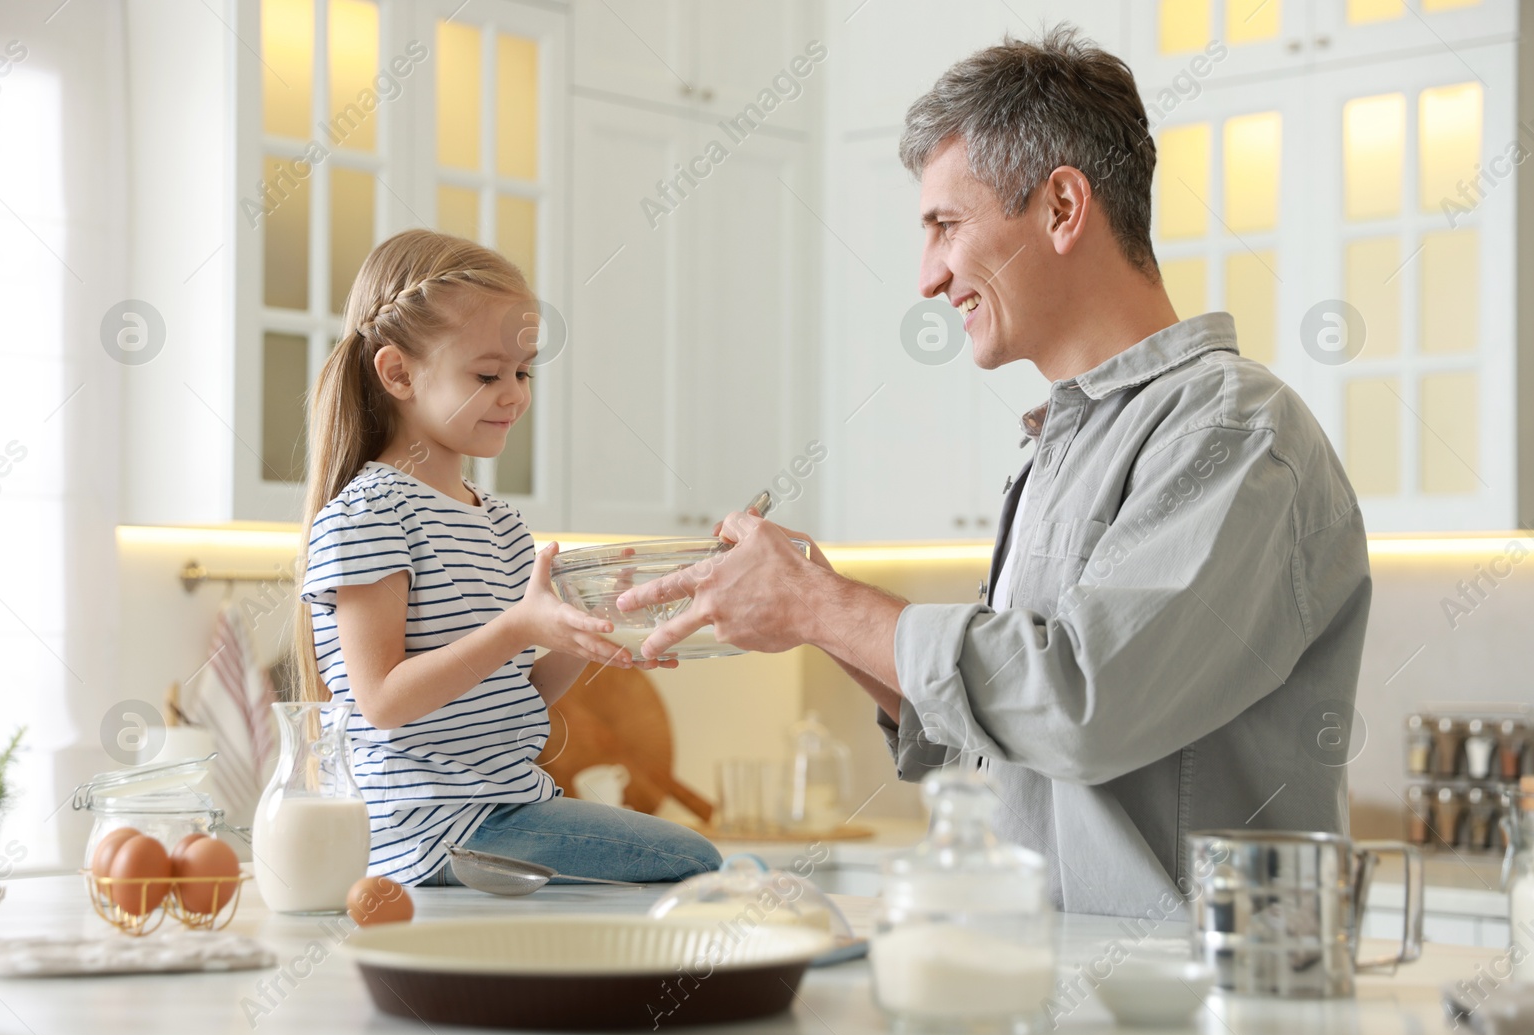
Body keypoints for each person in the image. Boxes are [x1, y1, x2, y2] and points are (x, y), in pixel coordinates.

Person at [618, 27, 1371, 918]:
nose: (928, 276)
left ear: (1061, 208)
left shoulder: (1233, 433)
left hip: (1195, 1024)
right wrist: (815, 604)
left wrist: (825, 606)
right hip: (1058, 1004)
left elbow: (1083, 704)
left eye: (946, 224)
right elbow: (1008, 734)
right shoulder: (1068, 443)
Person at [293, 229, 721, 887]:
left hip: (502, 810)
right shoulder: (372, 511)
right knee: (694, 861)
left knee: (688, 865)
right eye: (488, 374)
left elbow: (524, 690)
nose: (515, 394)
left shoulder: (498, 521)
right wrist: (519, 625)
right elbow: (380, 700)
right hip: (432, 829)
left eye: (522, 372)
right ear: (398, 372)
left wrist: (592, 628)